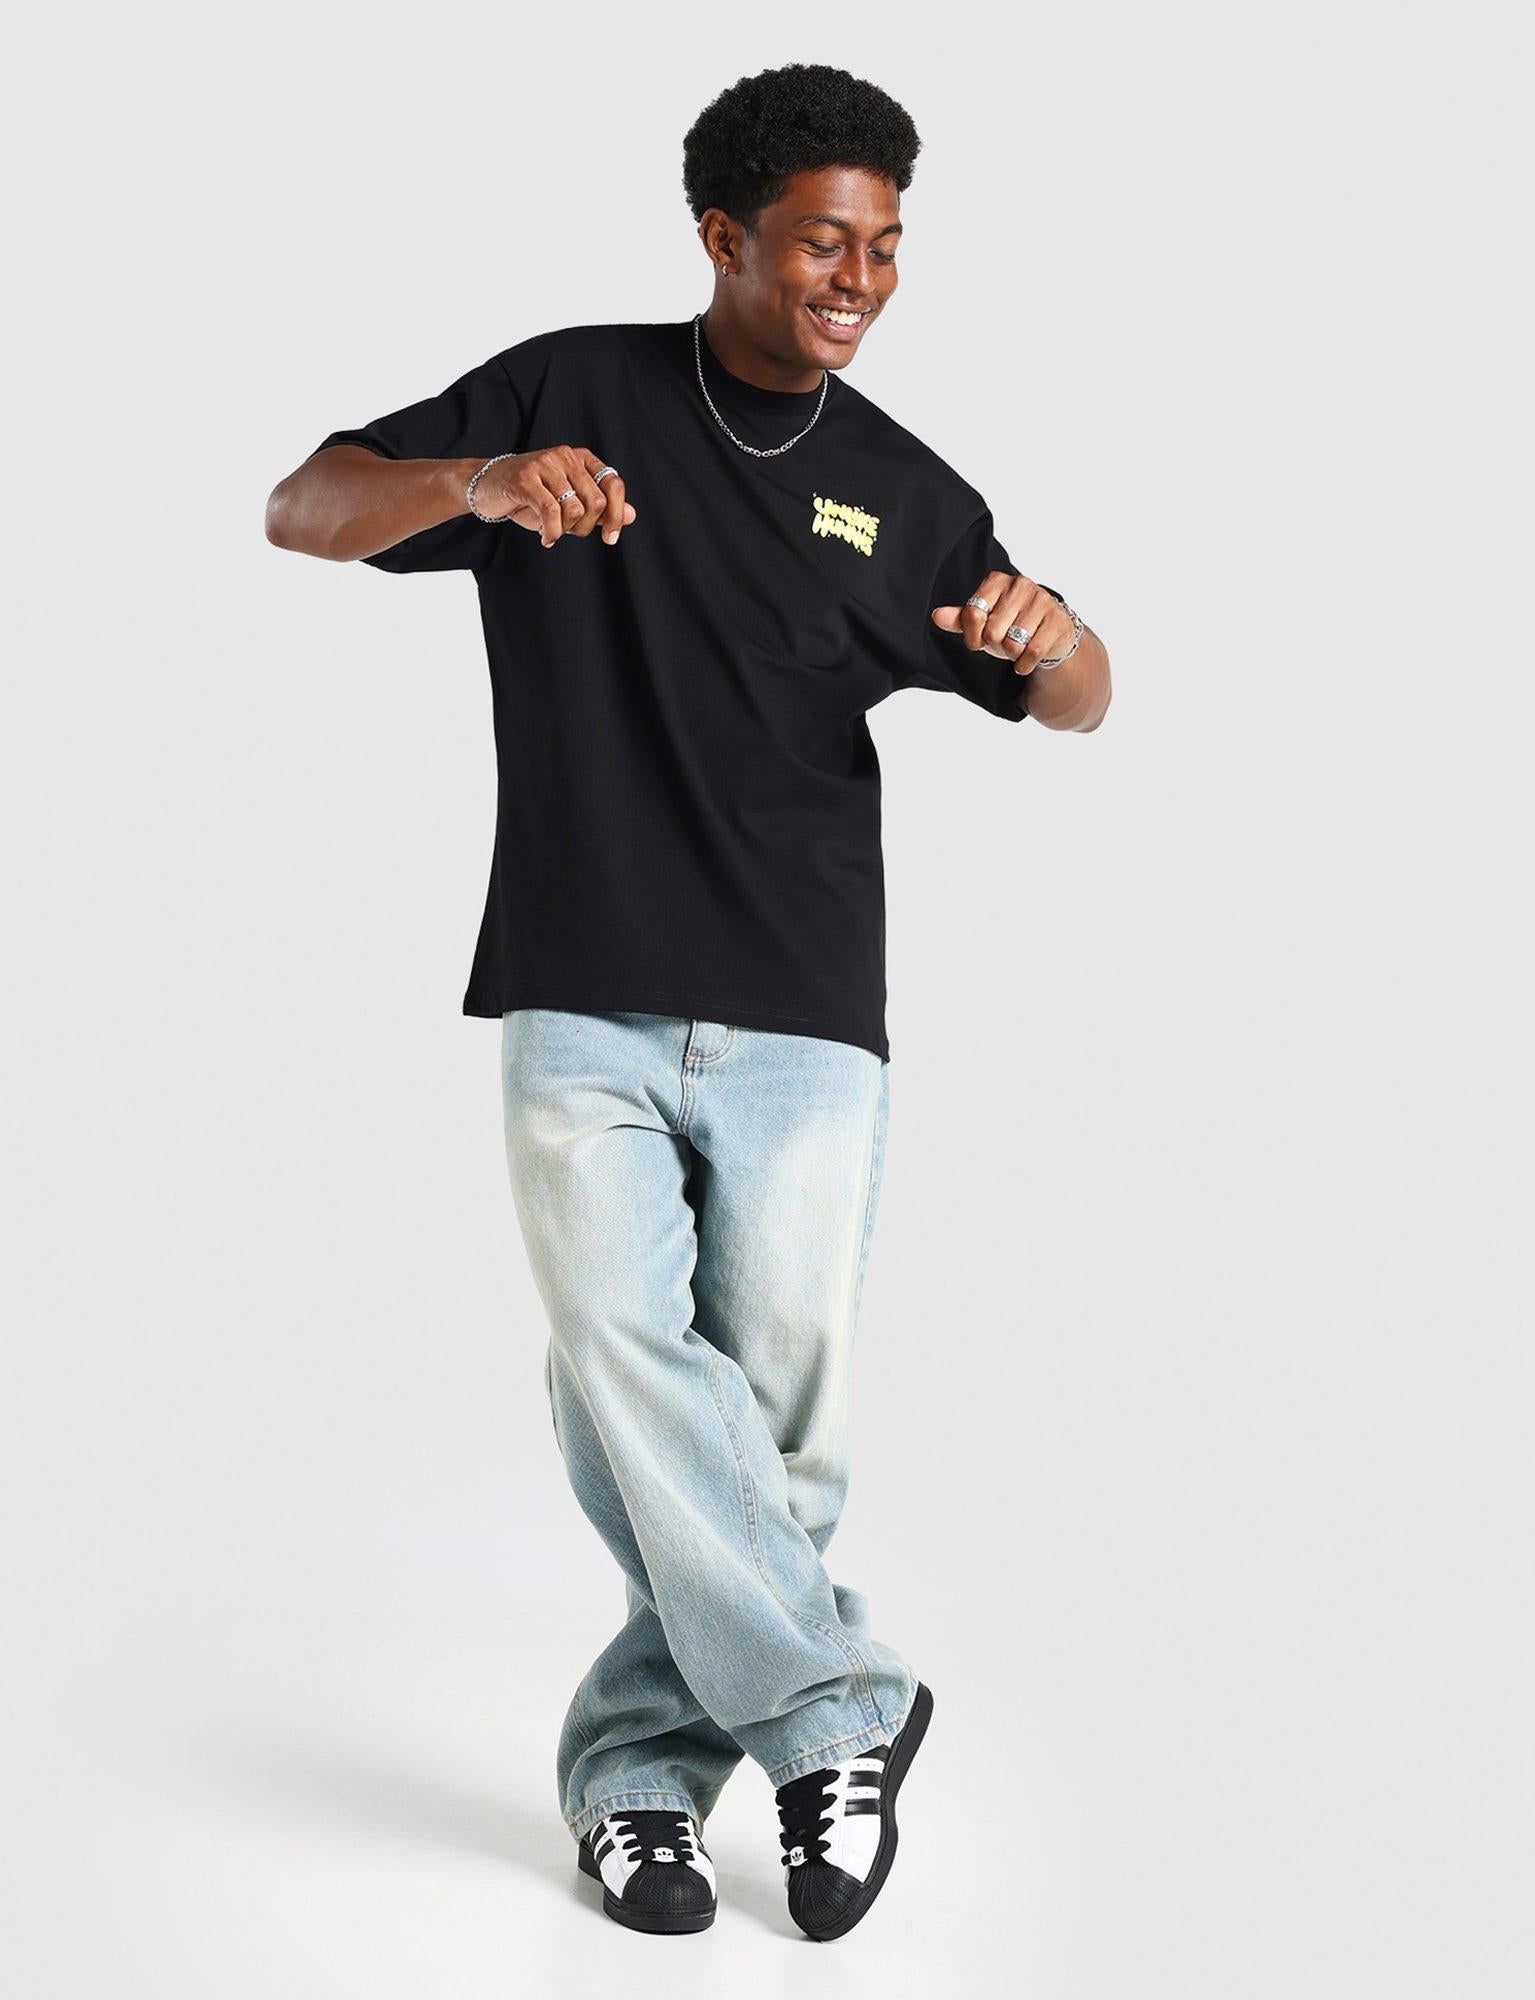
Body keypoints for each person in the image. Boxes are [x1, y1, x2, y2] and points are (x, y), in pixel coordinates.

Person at [264, 59, 1110, 1944]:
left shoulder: (905, 490)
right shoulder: (567, 392)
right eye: (821, 241)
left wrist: (1061, 644)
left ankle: (640, 1781)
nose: (859, 279)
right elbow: (302, 506)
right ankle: (836, 1713)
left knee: (769, 1419)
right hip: (580, 982)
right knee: (624, 1359)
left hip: (807, 1009)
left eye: (885, 246)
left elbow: (1077, 695)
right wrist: (480, 485)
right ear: (723, 236)